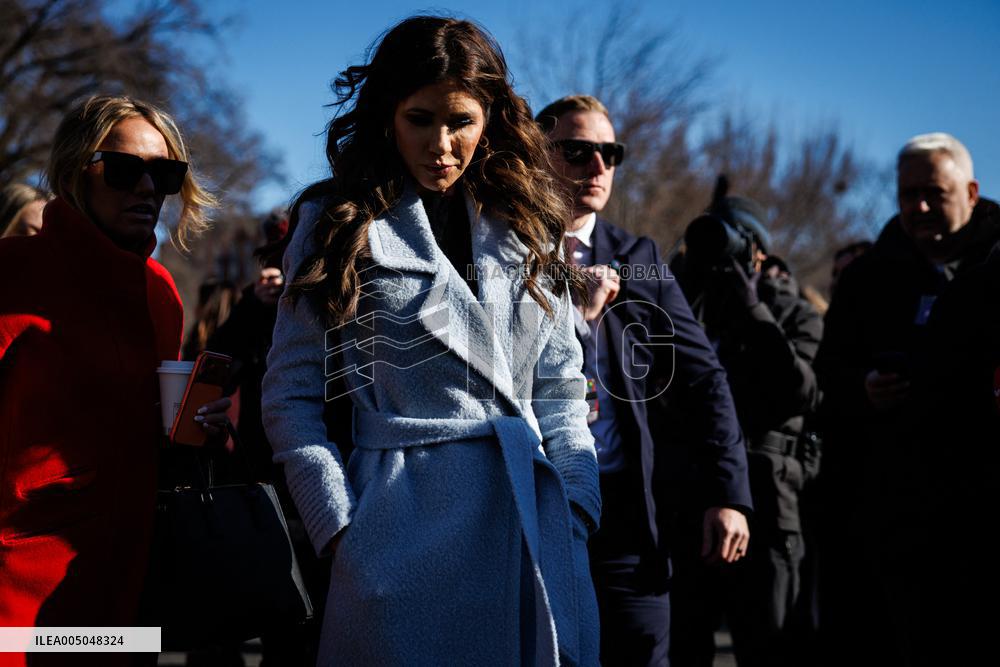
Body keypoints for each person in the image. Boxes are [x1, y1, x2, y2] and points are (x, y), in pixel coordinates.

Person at [261, 17, 600, 666]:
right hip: (397, 535)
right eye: (420, 119)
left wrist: (577, 507)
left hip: (529, 526)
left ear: (490, 118)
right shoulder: (338, 221)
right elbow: (289, 393)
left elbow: (560, 386)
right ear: (387, 116)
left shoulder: (529, 221)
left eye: (461, 121)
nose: (441, 145)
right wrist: (340, 527)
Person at [0, 95, 229, 665]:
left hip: (128, 580)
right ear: (77, 172)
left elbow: (150, 428)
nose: (148, 189)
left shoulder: (160, 292)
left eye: (166, 174)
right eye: (126, 170)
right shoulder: (10, 273)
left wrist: (201, 427)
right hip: (21, 587)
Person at [536, 94, 752, 666]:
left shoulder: (639, 258)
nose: (598, 166)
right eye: (577, 150)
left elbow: (704, 378)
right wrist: (576, 318)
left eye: (611, 153)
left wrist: (728, 494)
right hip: (532, 503)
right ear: (537, 153)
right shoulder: (501, 251)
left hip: (628, 515)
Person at [815, 132, 1000, 665]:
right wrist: (862, 388)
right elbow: (826, 373)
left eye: (934, 193)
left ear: (971, 192)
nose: (919, 207)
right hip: (891, 515)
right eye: (908, 194)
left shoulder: (996, 272)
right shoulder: (868, 278)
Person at [670, 186, 823, 667]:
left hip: (770, 509)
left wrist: (752, 309)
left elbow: (799, 392)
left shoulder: (794, 312)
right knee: (683, 648)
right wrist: (682, 286)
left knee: (770, 650)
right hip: (690, 505)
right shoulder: (687, 303)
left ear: (758, 252)